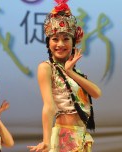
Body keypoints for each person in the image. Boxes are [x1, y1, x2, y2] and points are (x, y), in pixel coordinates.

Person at [27, 0, 102, 151]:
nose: (60, 44)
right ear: (49, 43)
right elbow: (49, 106)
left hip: (81, 137)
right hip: (63, 136)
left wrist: (70, 72)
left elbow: (97, 93)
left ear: (73, 42)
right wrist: (46, 140)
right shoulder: (46, 68)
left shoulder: (74, 71)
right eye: (55, 39)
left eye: (66, 39)